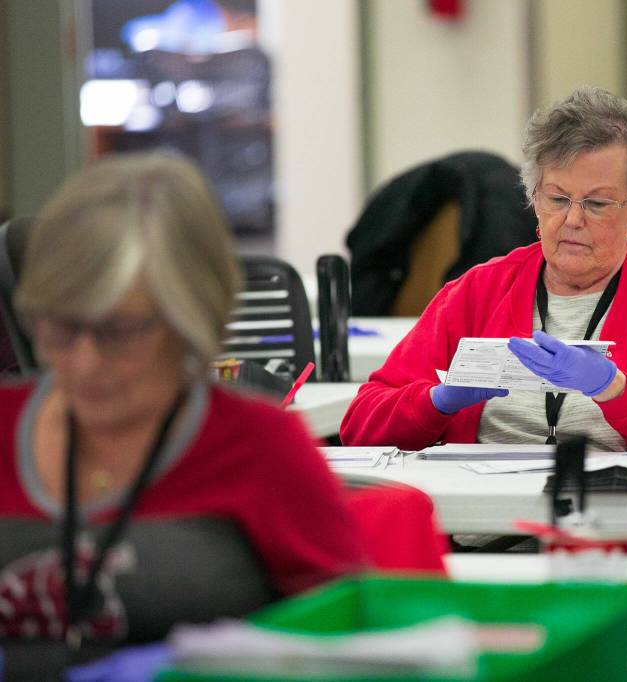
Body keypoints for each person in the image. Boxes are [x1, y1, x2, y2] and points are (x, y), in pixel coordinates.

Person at [342, 86, 627, 680]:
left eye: (597, 204)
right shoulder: (477, 292)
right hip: (485, 540)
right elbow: (363, 421)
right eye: (557, 198)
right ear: (533, 197)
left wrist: (619, 391)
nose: (571, 221)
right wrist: (435, 401)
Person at [0, 151, 366, 680]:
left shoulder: (259, 446)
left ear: (191, 320)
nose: (82, 361)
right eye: (59, 328)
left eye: (118, 332)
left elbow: (351, 651)